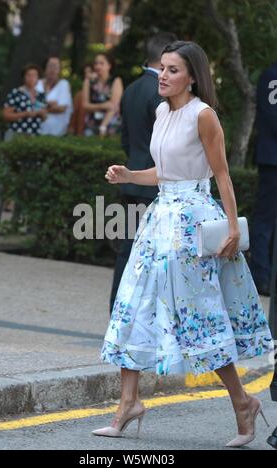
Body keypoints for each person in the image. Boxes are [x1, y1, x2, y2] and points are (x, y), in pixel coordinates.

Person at [92, 40, 274, 447]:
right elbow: (164, 173)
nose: (163, 75)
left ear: (192, 76)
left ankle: (242, 401)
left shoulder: (203, 115)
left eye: (173, 70)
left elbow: (222, 174)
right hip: (160, 219)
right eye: (162, 68)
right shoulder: (161, 111)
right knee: (132, 305)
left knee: (198, 317)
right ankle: (127, 404)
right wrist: (129, 176)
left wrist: (232, 228)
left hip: (193, 223)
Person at [109, 32, 177, 314]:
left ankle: (117, 309)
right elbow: (166, 141)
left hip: (132, 178)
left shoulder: (132, 89)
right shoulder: (160, 94)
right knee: (154, 253)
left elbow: (125, 138)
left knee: (127, 250)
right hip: (154, 183)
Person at [249, 63, 277, 296]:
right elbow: (272, 116)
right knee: (266, 220)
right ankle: (261, 276)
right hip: (273, 160)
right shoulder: (272, 75)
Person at [82, 52, 123, 137]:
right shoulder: (88, 81)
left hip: (111, 123)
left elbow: (113, 106)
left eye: (101, 63)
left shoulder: (116, 81)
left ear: (109, 65)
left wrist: (103, 126)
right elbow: (85, 105)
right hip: (91, 123)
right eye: (96, 63)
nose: (98, 66)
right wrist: (104, 105)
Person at [3, 64, 47, 140]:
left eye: (34, 75)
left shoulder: (41, 96)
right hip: (16, 134)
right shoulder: (16, 93)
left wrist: (42, 114)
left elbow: (44, 118)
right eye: (28, 75)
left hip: (34, 135)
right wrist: (25, 114)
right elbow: (6, 116)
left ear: (38, 78)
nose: (31, 78)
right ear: (23, 77)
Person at [36, 56, 73, 136]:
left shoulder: (64, 84)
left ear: (60, 70)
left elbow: (61, 108)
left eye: (56, 66)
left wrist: (44, 109)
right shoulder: (37, 83)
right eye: (50, 66)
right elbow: (33, 104)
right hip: (36, 130)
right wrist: (51, 104)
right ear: (45, 68)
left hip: (57, 132)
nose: (52, 69)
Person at [68, 64, 97, 136]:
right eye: (85, 73)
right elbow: (74, 113)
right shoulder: (80, 95)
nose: (88, 75)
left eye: (90, 72)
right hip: (84, 130)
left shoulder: (103, 90)